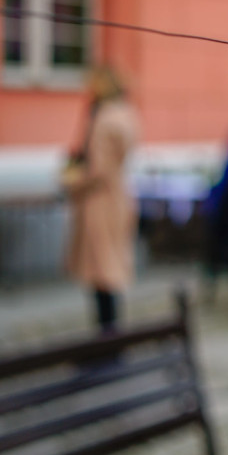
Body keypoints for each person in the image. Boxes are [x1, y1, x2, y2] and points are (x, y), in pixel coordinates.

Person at [63, 65, 139, 334]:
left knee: (103, 273)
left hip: (100, 203)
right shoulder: (124, 114)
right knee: (108, 271)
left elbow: (98, 170)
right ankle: (109, 340)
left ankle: (108, 343)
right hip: (115, 198)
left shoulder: (105, 119)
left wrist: (71, 181)